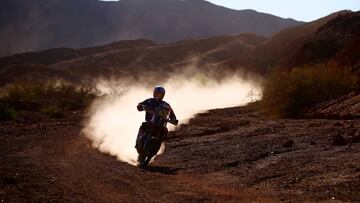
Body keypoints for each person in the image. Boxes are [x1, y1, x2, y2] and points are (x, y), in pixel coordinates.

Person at [135, 86, 178, 155]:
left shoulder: (166, 105)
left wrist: (173, 120)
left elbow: (172, 115)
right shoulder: (150, 101)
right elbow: (141, 105)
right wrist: (140, 106)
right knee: (144, 125)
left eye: (161, 94)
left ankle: (158, 144)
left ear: (163, 95)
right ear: (154, 93)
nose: (159, 95)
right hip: (150, 122)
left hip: (161, 124)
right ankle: (138, 141)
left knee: (165, 131)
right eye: (158, 94)